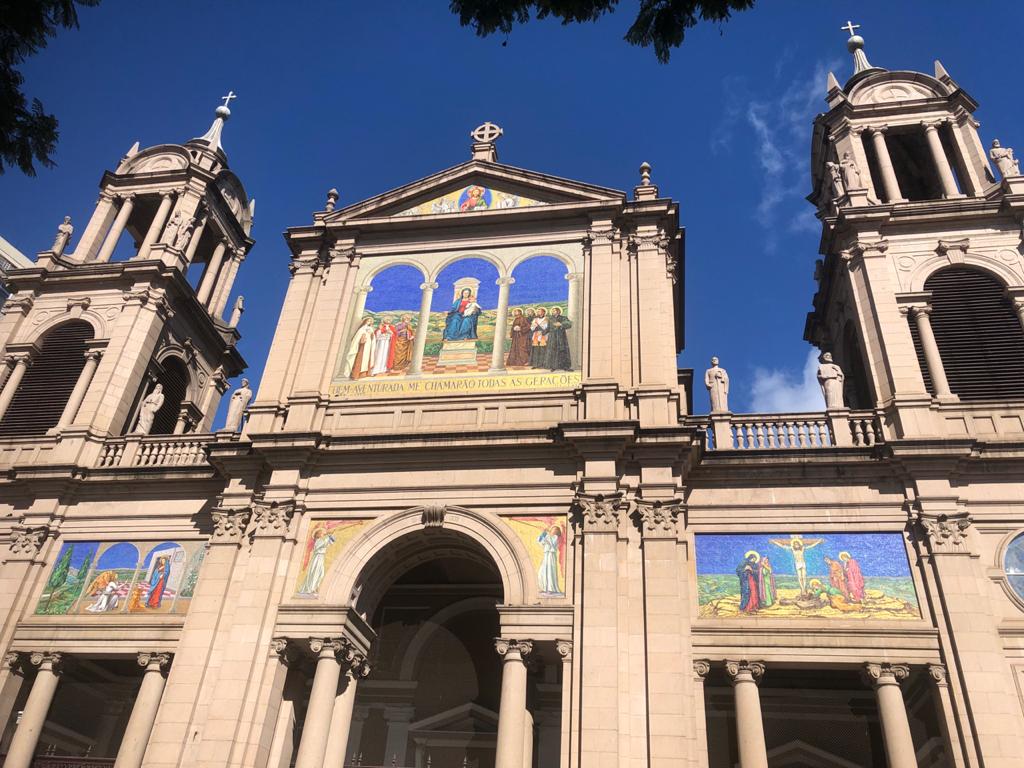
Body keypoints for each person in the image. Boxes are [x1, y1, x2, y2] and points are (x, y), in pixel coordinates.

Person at [298, 526, 336, 595]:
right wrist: (328, 537)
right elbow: (322, 544)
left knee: (321, 573)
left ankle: (315, 587)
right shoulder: (318, 541)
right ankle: (311, 588)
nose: (323, 534)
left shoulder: (321, 541)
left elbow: (327, 544)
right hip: (317, 558)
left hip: (321, 558)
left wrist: (331, 537)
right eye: (322, 533)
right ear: (318, 534)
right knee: (315, 572)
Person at [537, 524, 563, 595]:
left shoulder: (555, 537)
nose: (551, 530)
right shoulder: (549, 536)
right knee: (542, 571)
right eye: (551, 529)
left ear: (556, 531)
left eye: (553, 529)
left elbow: (551, 542)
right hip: (546, 555)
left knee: (550, 572)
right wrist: (543, 533)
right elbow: (540, 541)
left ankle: (550, 589)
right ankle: (544, 587)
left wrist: (545, 533)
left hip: (551, 555)